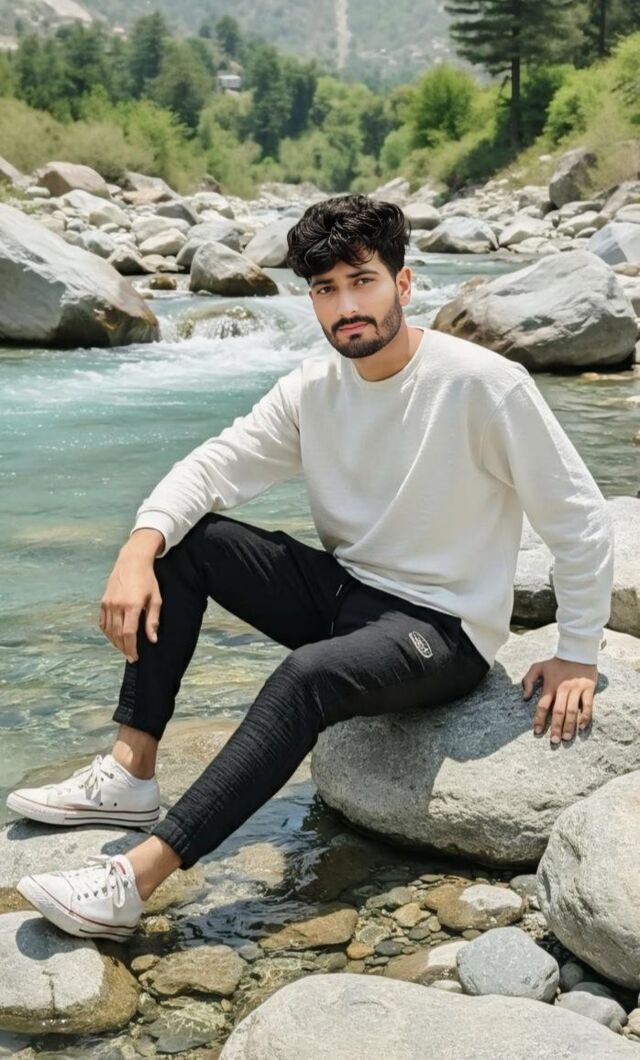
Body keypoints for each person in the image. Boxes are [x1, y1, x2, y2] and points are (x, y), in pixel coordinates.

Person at [8, 194, 613, 943]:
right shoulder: (314, 388)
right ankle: (131, 772)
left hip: (442, 629)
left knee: (305, 678)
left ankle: (136, 878)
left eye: (362, 281)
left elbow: (579, 518)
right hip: (347, 594)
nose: (346, 306)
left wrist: (578, 650)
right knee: (185, 542)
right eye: (327, 289)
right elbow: (214, 465)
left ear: (404, 282)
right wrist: (138, 548)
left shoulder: (483, 385)